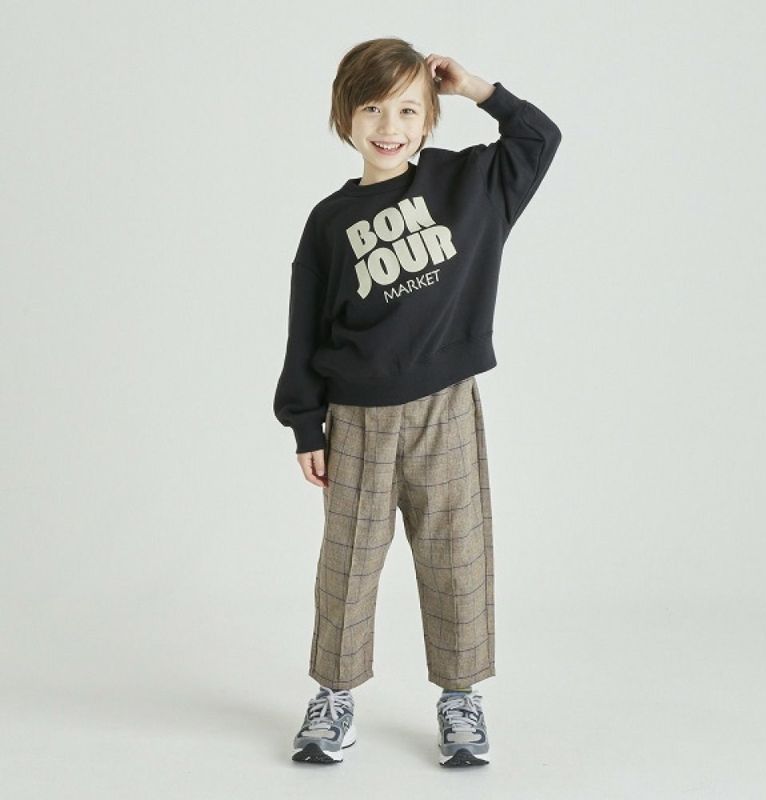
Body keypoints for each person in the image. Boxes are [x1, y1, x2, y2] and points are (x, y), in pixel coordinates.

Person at [273, 37, 562, 767]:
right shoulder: (329, 220)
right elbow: (305, 326)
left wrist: (477, 89)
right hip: (357, 418)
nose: (389, 125)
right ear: (345, 116)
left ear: (430, 117)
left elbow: (540, 137)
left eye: (407, 109)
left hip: (446, 410)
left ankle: (461, 697)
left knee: (457, 555)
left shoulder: (469, 184)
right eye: (372, 109)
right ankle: (334, 695)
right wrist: (305, 422)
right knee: (349, 564)